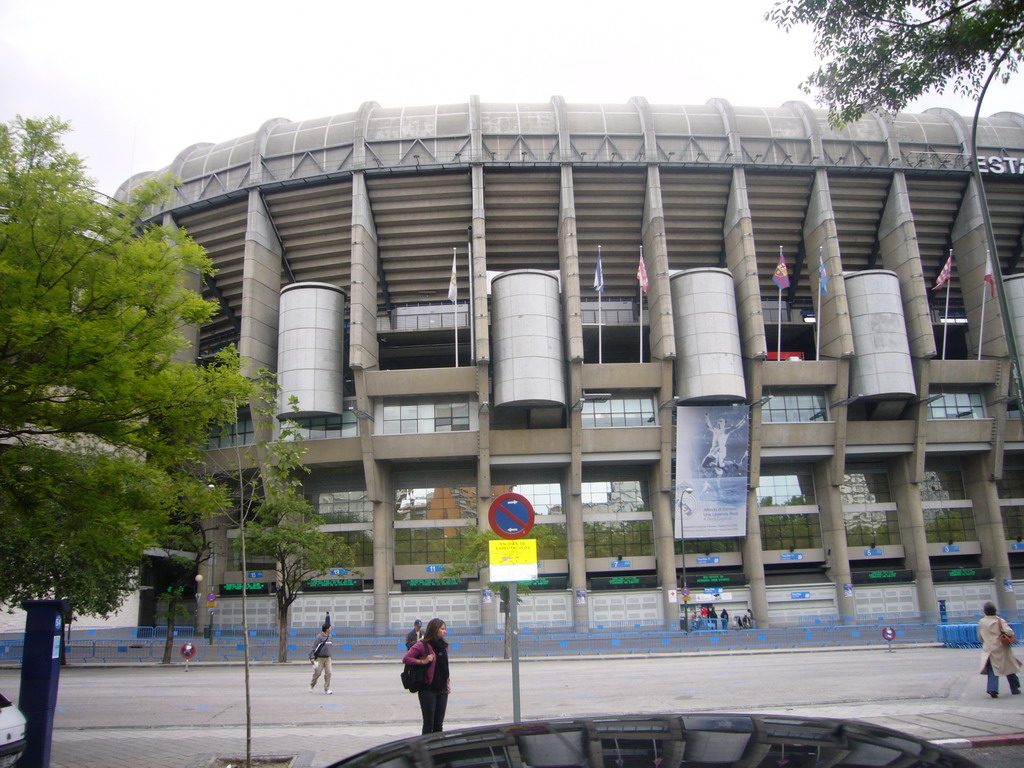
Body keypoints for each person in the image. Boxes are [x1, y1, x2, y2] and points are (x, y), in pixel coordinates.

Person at [403, 617, 451, 734]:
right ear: (435, 630)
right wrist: (422, 661)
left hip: (442, 689)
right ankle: (426, 748)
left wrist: (448, 683)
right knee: (429, 723)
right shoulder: (422, 645)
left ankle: (438, 749)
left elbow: (444, 666)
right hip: (427, 689)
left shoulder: (443, 645)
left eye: (445, 629)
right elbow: (406, 658)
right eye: (442, 629)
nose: (445, 631)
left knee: (438, 724)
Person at [977, 601, 1021, 698]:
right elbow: (1009, 631)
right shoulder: (999, 620)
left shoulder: (981, 622)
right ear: (995, 611)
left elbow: (980, 637)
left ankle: (992, 689)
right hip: (1001, 647)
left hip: (989, 649)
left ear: (985, 611)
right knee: (1009, 667)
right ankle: (1015, 688)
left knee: (992, 669)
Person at [309, 622, 334, 694]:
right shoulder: (319, 637)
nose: (331, 629)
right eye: (330, 628)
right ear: (326, 629)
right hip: (319, 658)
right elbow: (314, 647)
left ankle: (326, 689)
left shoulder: (330, 636)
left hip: (328, 658)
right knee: (317, 673)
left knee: (328, 672)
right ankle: (312, 685)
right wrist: (312, 657)